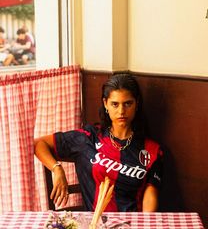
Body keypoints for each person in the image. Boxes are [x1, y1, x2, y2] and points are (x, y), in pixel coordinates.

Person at [34, 73, 164, 212]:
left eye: (128, 103)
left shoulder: (153, 150)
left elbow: (150, 194)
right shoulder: (89, 137)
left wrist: (143, 228)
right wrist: (57, 169)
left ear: (136, 104)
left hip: (130, 226)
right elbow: (38, 144)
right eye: (115, 104)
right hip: (95, 225)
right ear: (105, 104)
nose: (121, 111)